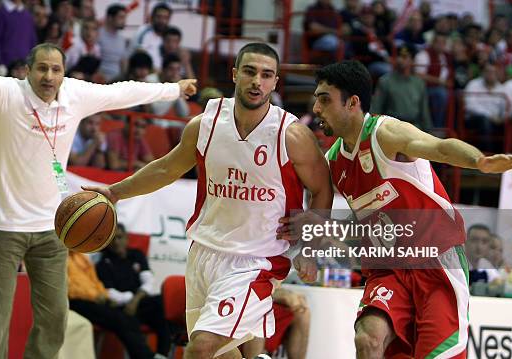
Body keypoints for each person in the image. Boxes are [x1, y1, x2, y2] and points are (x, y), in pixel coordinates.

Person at [0, 18, 196, 359]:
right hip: (2, 227)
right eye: (42, 69)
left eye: (55, 69)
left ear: (64, 72)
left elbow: (124, 91)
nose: (49, 76)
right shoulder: (4, 94)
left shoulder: (76, 94)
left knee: (55, 318)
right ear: (27, 72)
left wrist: (174, 89)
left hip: (52, 227)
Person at [84, 42, 333, 359]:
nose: (257, 81)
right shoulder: (206, 124)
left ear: (275, 82)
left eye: (266, 75)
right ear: (235, 74)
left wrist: (310, 247)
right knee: (221, 355)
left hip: (255, 262)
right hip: (203, 253)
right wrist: (114, 192)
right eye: (250, 71)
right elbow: (166, 167)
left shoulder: (290, 134)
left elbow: (322, 187)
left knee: (199, 349)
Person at [305, 60, 512, 358]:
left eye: (324, 99)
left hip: (435, 261)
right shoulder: (333, 160)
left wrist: (479, 162)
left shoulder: (386, 133)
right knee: (368, 338)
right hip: (389, 268)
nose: (316, 108)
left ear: (352, 103)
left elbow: (440, 147)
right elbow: (318, 202)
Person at [67, 249, 160, 359]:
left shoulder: (81, 256)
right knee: (119, 319)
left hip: (96, 299)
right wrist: (95, 296)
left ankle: (146, 356)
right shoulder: (59, 258)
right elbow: (69, 288)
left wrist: (104, 295)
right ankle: (147, 357)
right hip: (76, 302)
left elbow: (95, 281)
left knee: (128, 318)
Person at [96, 223, 171, 357]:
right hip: (122, 307)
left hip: (140, 302)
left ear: (126, 238)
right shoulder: (103, 263)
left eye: (119, 237)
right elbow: (110, 294)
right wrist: (131, 299)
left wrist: (135, 300)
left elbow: (148, 281)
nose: (116, 242)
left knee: (161, 304)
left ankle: (162, 354)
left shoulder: (137, 255)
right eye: (112, 239)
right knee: (126, 319)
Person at [240, 288, 310, 359]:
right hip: (249, 304)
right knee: (260, 309)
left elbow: (276, 286)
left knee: (302, 311)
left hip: (271, 299)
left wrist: (291, 296)